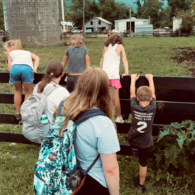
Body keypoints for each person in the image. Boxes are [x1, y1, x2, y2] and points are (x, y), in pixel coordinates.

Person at [60, 67, 120, 195]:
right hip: (93, 182)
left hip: (69, 177)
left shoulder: (65, 108)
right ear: (105, 90)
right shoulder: (103, 124)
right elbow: (111, 170)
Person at [128, 74, 156, 193]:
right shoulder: (152, 107)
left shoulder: (134, 106)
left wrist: (133, 80)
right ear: (150, 100)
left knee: (135, 147)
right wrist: (150, 79)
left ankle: (135, 150)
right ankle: (141, 185)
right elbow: (153, 94)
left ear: (138, 98)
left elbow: (131, 94)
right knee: (143, 163)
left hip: (133, 139)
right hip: (146, 142)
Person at [4, 39, 40, 120]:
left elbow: (10, 68)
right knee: (28, 93)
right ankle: (25, 113)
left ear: (11, 47)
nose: (6, 52)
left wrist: (14, 72)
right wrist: (34, 68)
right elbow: (37, 58)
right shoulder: (26, 52)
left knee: (17, 91)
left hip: (15, 68)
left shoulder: (11, 53)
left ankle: (18, 113)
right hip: (27, 68)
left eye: (6, 50)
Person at [100, 34, 128, 123]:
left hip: (104, 74)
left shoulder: (105, 47)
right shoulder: (120, 47)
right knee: (116, 97)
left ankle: (106, 116)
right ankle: (119, 117)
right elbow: (124, 59)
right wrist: (126, 72)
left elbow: (102, 59)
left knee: (105, 97)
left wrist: (100, 71)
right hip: (114, 75)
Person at [33, 61, 69, 126]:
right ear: (62, 74)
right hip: (53, 131)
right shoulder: (63, 92)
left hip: (38, 128)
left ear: (46, 73)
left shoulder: (38, 86)